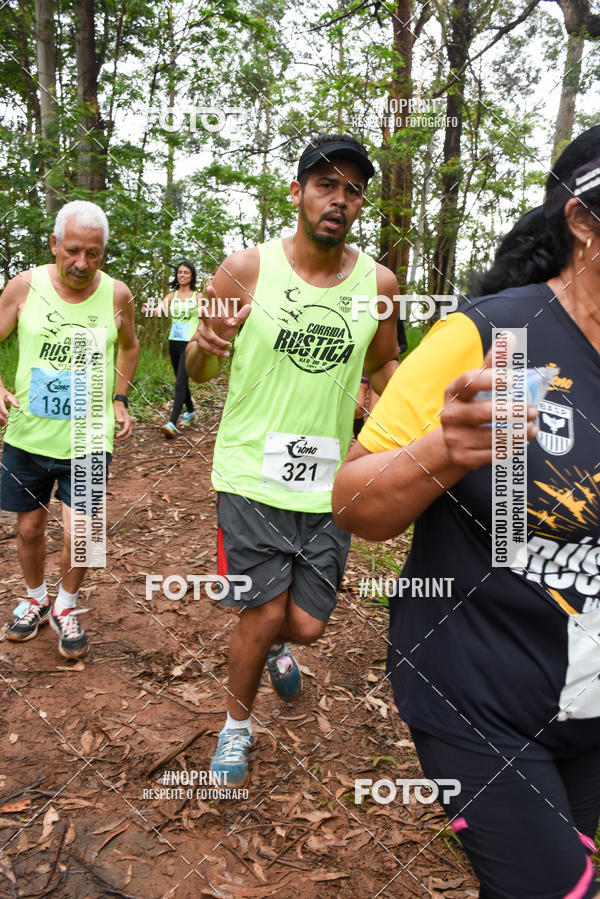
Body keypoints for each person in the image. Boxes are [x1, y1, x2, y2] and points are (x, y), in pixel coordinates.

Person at [333, 125, 600, 898]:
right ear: (583, 220)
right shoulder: (490, 337)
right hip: (475, 693)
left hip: (586, 697)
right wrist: (442, 451)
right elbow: (353, 500)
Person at [186, 134, 400, 786]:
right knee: (264, 611)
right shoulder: (244, 269)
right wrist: (205, 343)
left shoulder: (379, 283)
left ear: (361, 204)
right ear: (297, 191)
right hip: (252, 471)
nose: (339, 199)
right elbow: (199, 370)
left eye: (352, 189)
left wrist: (416, 419)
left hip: (327, 481)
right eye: (325, 184)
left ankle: (278, 643)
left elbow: (384, 363)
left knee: (304, 624)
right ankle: (236, 726)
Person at [0, 200, 139, 659]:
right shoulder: (25, 286)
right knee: (29, 528)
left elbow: (130, 349)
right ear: (55, 244)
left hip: (89, 436)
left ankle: (66, 605)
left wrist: (119, 398)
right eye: (74, 250)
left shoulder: (117, 295)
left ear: (103, 253)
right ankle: (36, 597)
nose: (82, 263)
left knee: (83, 532)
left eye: (93, 253)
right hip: (28, 434)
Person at [142, 260, 200, 437]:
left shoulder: (198, 297)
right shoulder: (171, 296)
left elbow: (207, 317)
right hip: (173, 342)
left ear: (192, 276)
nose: (182, 275)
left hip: (190, 344)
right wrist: (148, 310)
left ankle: (172, 423)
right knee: (181, 380)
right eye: (180, 272)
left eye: (186, 273)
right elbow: (157, 311)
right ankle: (190, 411)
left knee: (180, 382)